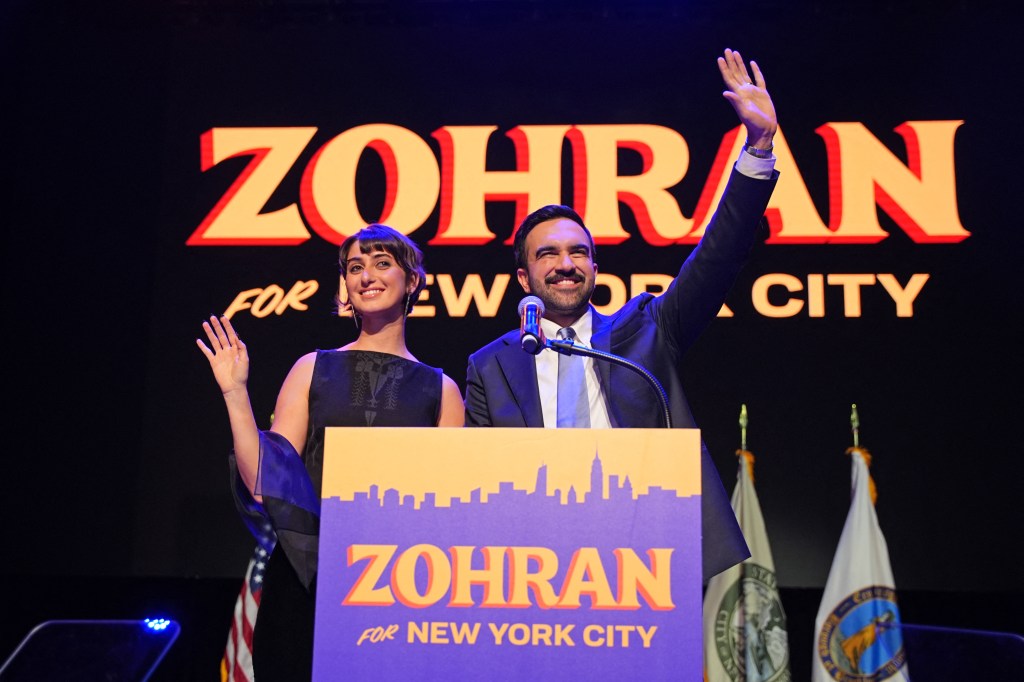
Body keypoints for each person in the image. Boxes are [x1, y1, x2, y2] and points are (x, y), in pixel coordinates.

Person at [463, 48, 779, 581]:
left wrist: (759, 146)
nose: (566, 265)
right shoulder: (490, 367)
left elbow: (719, 255)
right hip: (531, 561)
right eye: (548, 255)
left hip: (646, 550)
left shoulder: (647, 330)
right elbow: (472, 479)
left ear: (594, 266)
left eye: (578, 252)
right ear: (524, 279)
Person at [198, 224, 464, 681]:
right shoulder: (311, 369)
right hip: (307, 580)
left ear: (413, 280)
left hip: (398, 587)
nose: (366, 276)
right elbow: (265, 486)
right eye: (355, 267)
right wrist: (236, 393)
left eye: (382, 264)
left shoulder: (442, 390)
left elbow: (450, 510)